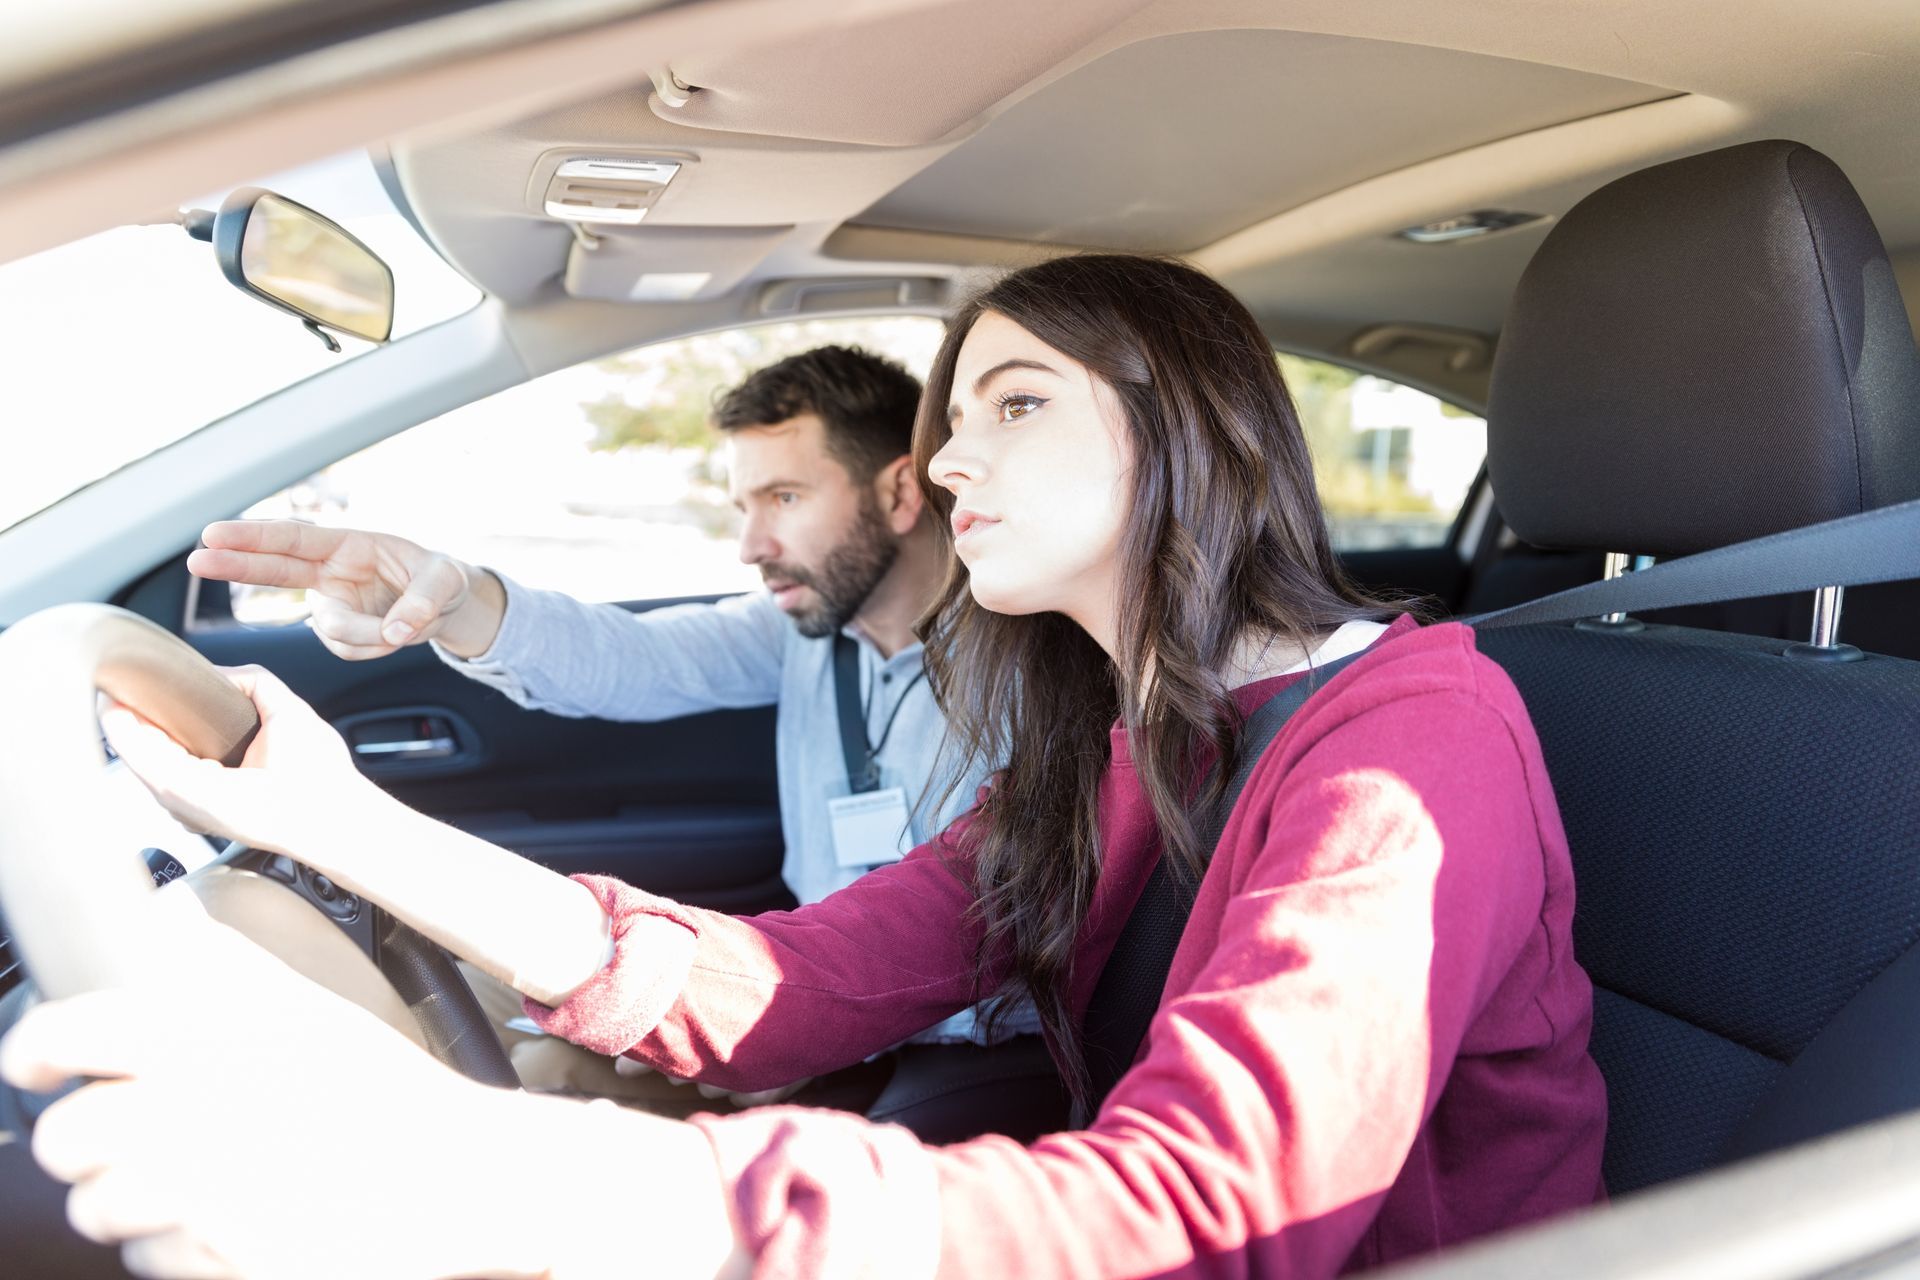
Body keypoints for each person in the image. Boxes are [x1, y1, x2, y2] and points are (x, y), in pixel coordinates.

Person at [3, 253, 1608, 1280]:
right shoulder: (1124, 736)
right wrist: (340, 823)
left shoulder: (1410, 750)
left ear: (1202, 434)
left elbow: (1202, 1220)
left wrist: (518, 1177)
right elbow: (805, 981)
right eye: (951, 415)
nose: (955, 457)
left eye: (1015, 403)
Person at [188, 343, 1040, 1110]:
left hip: (959, 1044)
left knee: (529, 1087)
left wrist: (789, 1030)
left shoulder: (1040, 661)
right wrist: (454, 602)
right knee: (450, 1003)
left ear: (899, 490)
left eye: (783, 497)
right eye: (743, 504)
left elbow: (1019, 925)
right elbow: (627, 658)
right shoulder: (802, 636)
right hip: (811, 1011)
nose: (750, 544)